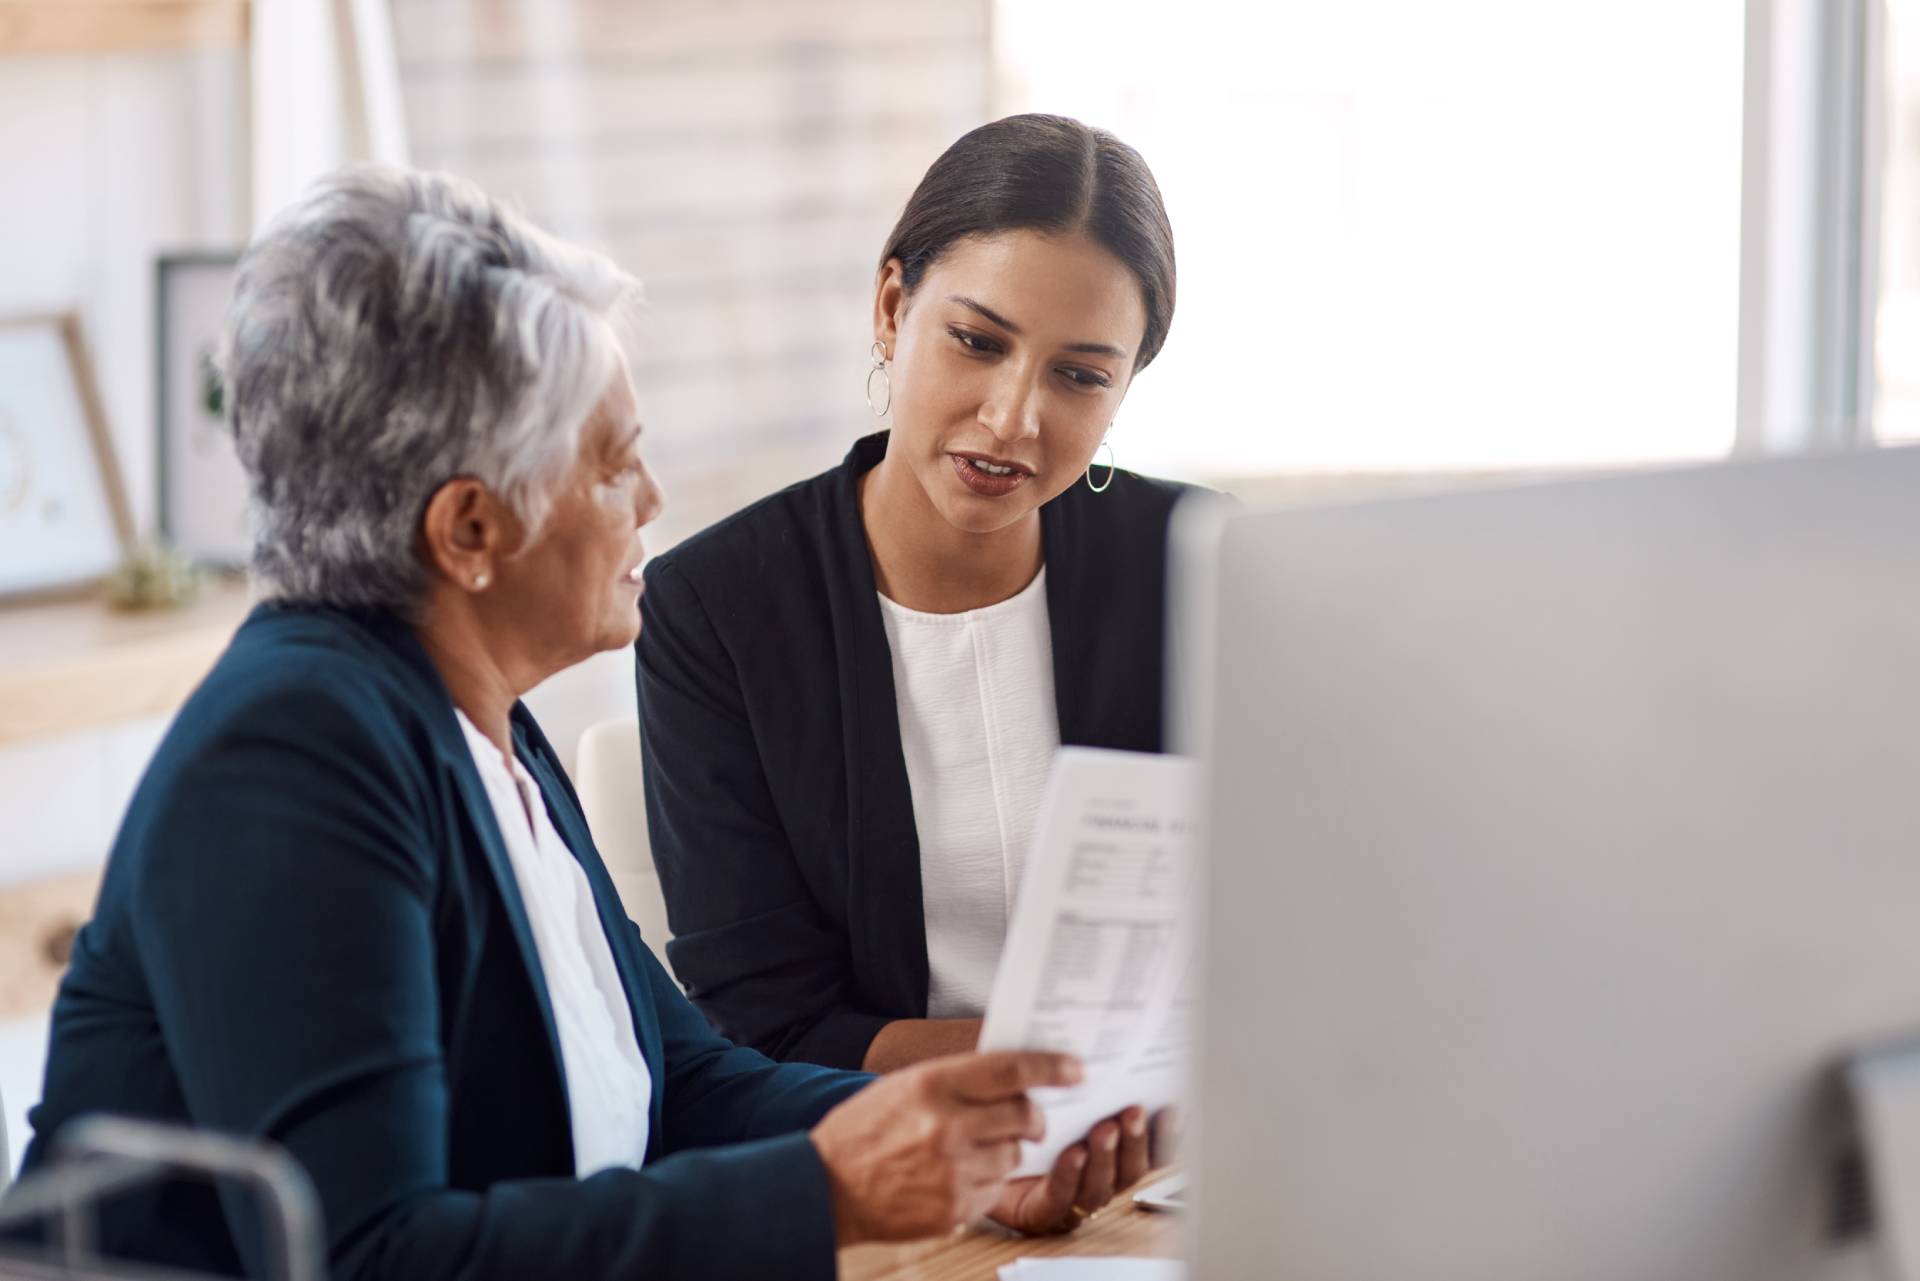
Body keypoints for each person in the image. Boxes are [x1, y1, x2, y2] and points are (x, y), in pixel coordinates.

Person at [7, 167, 1100, 1280]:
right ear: (471, 528)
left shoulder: (480, 723)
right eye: (617, 462)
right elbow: (369, 1260)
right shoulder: (290, 758)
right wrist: (823, 1193)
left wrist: (970, 1130)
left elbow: (676, 1078)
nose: (655, 501)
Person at [636, 112, 1188, 1177]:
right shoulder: (717, 609)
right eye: (977, 342)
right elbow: (768, 1028)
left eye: (1081, 376)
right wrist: (1088, 1079)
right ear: (893, 309)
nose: (1013, 418)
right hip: (892, 1172)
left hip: (1172, 1169)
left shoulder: (1196, 563)